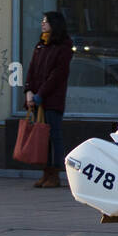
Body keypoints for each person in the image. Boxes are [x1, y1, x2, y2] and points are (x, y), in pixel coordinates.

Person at [24, 11, 74, 188]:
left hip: (51, 99)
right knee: (42, 138)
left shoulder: (64, 46)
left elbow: (57, 75)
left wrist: (40, 94)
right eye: (42, 21)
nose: (42, 24)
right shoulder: (41, 44)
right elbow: (31, 70)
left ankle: (55, 174)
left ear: (55, 24)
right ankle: (45, 172)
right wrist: (28, 90)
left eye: (45, 21)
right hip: (37, 99)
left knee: (54, 136)